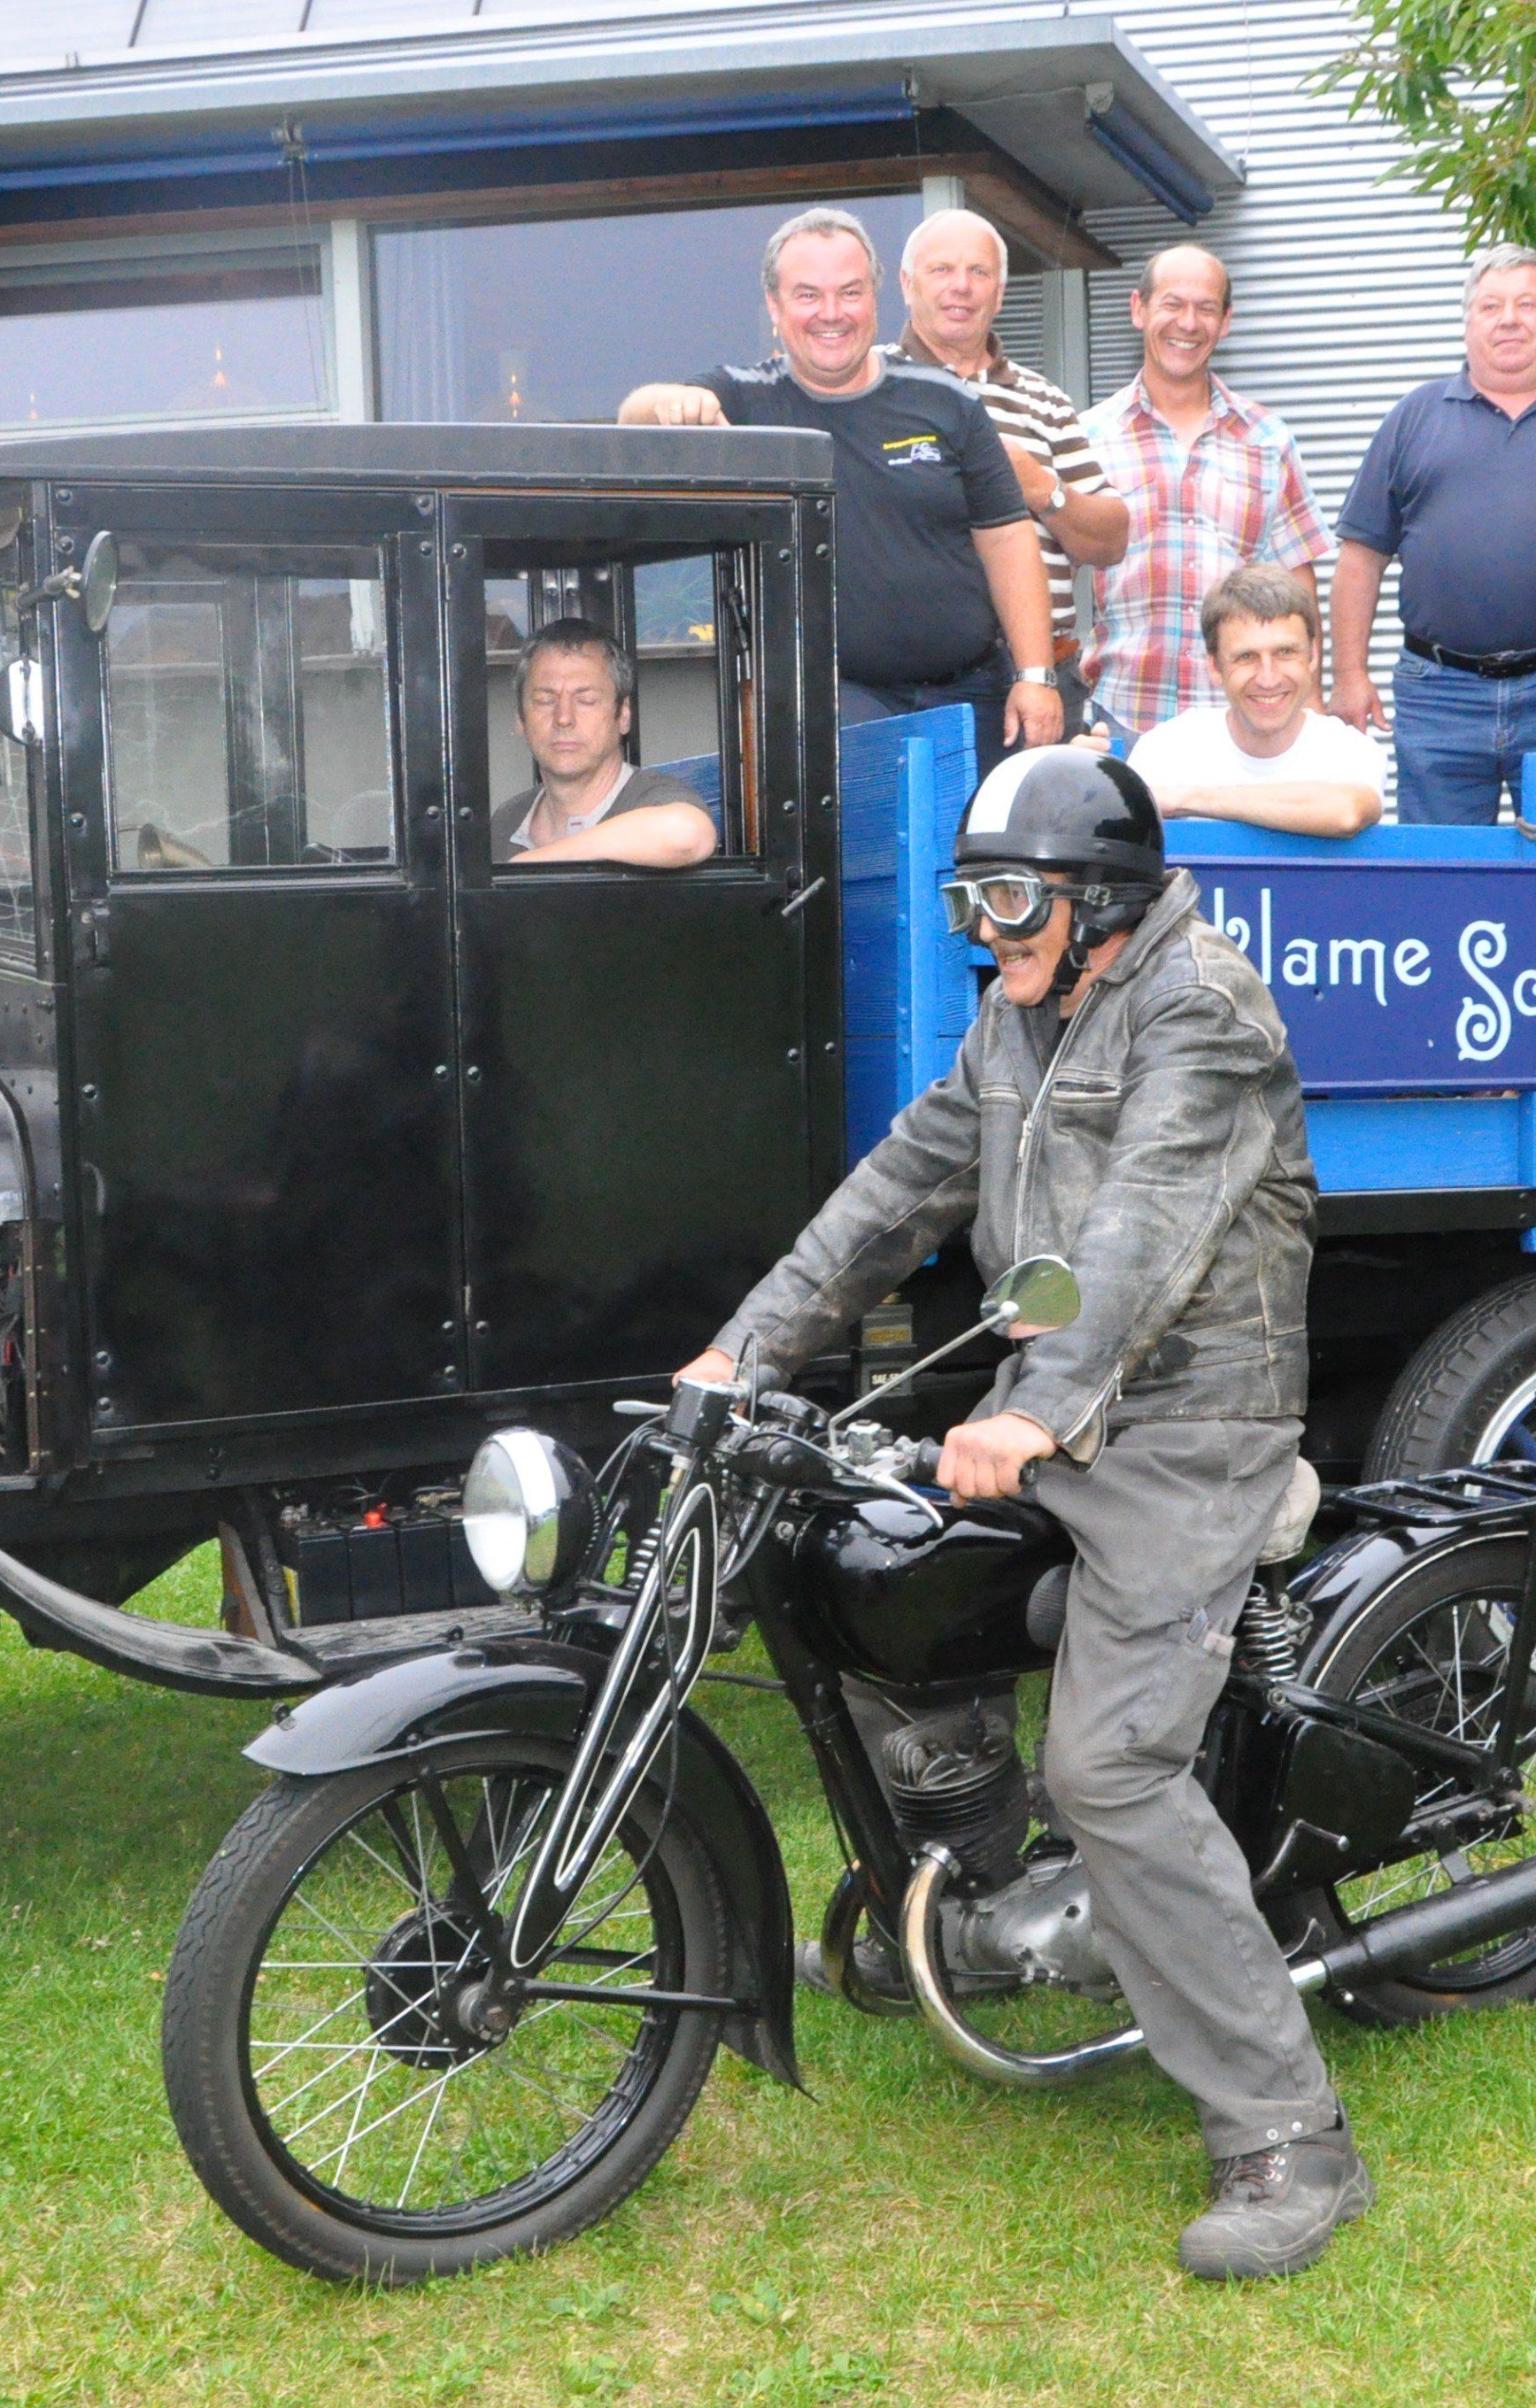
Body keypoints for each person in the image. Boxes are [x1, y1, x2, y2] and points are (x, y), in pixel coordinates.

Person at [673, 748, 1367, 2283]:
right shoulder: (1021, 1011)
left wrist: (1038, 1408)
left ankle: (1287, 2129)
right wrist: (746, 1345)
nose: (987, 930)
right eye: (975, 899)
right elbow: (901, 1185)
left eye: (1010, 900)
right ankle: (986, 1905)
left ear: (1098, 901)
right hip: (1051, 1404)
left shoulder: (1206, 1009)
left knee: (1111, 1766)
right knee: (854, 1573)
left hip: (1192, 1427)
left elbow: (1146, 1233)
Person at [619, 206, 1063, 769]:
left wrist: (1035, 676)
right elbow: (632, 418)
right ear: (776, 309)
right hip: (838, 700)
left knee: (994, 848)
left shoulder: (947, 400)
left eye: (850, 293)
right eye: (808, 296)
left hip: (976, 695)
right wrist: (667, 403)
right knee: (882, 831)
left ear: (876, 301)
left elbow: (1007, 539)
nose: (831, 314)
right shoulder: (748, 399)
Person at [1328, 246, 1536, 825]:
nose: (1508, 318)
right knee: (1446, 880)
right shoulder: (1413, 417)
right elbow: (1361, 559)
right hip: (1440, 696)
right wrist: (1349, 676)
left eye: (1526, 304)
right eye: (1491, 306)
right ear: (1468, 325)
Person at [890, 208, 1131, 731]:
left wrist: (1041, 487)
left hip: (1046, 678)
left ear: (999, 293)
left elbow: (1110, 541)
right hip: (912, 689)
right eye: (942, 270)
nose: (962, 287)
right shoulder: (871, 389)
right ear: (907, 285)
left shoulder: (1044, 400)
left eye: (979, 273)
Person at [1080, 245, 1335, 738]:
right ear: (1139, 309)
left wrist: (1313, 705)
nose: (1188, 323)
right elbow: (1052, 579)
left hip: (1243, 724)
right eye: (1172, 304)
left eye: (1206, 308)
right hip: (1122, 717)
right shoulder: (1088, 437)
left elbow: (1298, 586)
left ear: (1226, 321)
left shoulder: (1267, 439)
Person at [1115, 563, 1385, 837]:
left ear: (1313, 657)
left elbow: (1345, 813)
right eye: (1246, 657)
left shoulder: (1349, 750)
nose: (1268, 679)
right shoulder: (1165, 749)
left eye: (1285, 652)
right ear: (1215, 667)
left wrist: (1185, 801)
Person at [489, 618, 719, 866]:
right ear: (520, 719)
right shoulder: (508, 820)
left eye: (585, 700)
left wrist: (529, 866)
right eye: (545, 700)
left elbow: (686, 834)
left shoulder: (650, 798)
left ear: (623, 715)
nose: (563, 718)